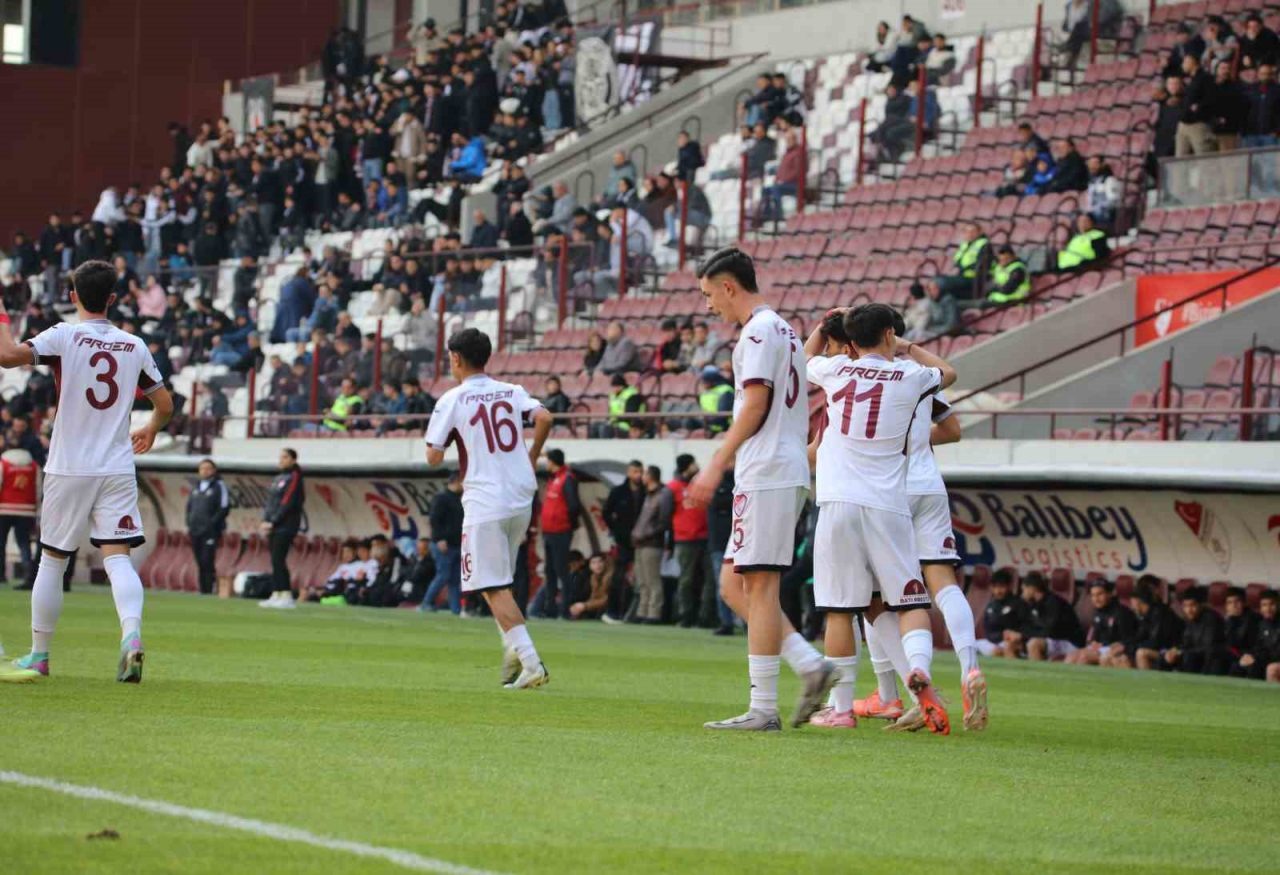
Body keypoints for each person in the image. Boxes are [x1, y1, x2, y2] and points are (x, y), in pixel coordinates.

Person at [0, 260, 174, 684]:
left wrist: (2, 315)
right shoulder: (134, 345)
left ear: (73, 295)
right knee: (118, 559)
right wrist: (151, 428)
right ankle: (131, 635)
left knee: (52, 560)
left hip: (70, 466)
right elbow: (165, 404)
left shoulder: (63, 335)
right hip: (116, 466)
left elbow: (7, 357)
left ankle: (39, 655)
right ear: (113, 298)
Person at [687, 247, 835, 732]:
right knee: (735, 585)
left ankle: (763, 707)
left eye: (709, 295)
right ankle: (809, 665)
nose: (709, 305)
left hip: (767, 470)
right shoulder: (783, 330)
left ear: (729, 287)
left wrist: (716, 463)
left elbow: (754, 405)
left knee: (761, 585)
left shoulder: (756, 332)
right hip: (775, 469)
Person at [802, 302, 957, 734]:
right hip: (888, 504)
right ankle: (919, 671)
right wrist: (906, 347)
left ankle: (840, 711)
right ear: (889, 333)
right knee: (909, 602)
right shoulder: (910, 375)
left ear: (849, 341)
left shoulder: (837, 370)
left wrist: (823, 326)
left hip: (838, 503)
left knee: (839, 610)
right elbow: (948, 372)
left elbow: (802, 358)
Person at [424, 328, 555, 690]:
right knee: (499, 582)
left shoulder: (452, 399)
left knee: (491, 585)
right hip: (520, 494)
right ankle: (511, 647)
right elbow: (545, 417)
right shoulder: (512, 390)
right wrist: (532, 455)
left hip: (486, 499)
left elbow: (433, 457)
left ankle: (530, 662)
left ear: (455, 358)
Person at [668, 454, 716, 628]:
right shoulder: (673, 488)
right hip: (684, 539)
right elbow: (666, 515)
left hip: (706, 537)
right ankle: (686, 615)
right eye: (693, 464)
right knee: (686, 580)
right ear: (687, 466)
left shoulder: (702, 484)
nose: (697, 466)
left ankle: (705, 616)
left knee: (710, 579)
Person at [534, 448, 581, 619]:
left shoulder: (567, 479)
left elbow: (574, 506)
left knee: (561, 570)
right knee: (550, 571)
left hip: (560, 531)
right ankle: (551, 609)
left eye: (548, 460)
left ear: (553, 462)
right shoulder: (554, 479)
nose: (546, 464)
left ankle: (565, 610)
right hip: (549, 532)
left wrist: (568, 525)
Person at [258, 448, 305, 609]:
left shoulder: (294, 477)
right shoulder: (278, 478)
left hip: (286, 525)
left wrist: (274, 521)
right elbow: (271, 502)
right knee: (274, 560)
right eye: (281, 457)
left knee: (279, 558)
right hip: (273, 525)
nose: (281, 460)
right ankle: (276, 593)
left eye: (285, 457)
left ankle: (286, 594)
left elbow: (287, 501)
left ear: (293, 460)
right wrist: (265, 519)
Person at [601, 460, 645, 622]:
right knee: (618, 576)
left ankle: (637, 613)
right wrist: (616, 530)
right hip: (623, 541)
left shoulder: (646, 492)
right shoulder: (618, 492)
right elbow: (606, 513)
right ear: (628, 472)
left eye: (640, 472)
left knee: (642, 577)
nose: (638, 475)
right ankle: (613, 611)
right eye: (635, 472)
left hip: (642, 541)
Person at [629, 465, 672, 624]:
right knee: (642, 580)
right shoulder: (648, 495)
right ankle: (642, 611)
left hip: (652, 543)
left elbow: (664, 521)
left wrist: (647, 533)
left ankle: (654, 613)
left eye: (645, 474)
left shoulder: (663, 494)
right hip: (640, 542)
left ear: (651, 476)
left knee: (652, 579)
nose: (642, 477)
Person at [185, 458, 230, 595]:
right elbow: (189, 507)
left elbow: (224, 507)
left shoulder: (219, 486)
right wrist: (189, 522)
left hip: (211, 531)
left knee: (207, 559)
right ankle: (203, 589)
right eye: (202, 468)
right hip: (195, 529)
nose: (205, 471)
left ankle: (210, 589)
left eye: (208, 468)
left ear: (214, 470)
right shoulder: (196, 487)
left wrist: (211, 524)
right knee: (199, 560)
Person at [421, 472, 464, 613]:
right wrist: (439, 539)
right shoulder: (441, 498)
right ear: (456, 481)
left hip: (456, 544)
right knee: (443, 575)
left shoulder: (459, 499)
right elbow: (434, 520)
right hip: (443, 544)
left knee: (455, 579)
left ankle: (456, 609)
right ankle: (426, 603)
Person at [1066, 581, 1137, 666]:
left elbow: (1128, 641)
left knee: (1084, 658)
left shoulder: (1122, 613)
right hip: (1101, 648)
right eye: (1093, 595)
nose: (1096, 599)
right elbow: (1095, 635)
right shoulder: (1098, 612)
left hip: (1114, 650)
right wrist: (1093, 643)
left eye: (1100, 594)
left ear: (1110, 594)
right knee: (1072, 656)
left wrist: (1104, 645)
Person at [1021, 572, 1087, 661]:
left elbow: (1049, 631)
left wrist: (1024, 635)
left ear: (1032, 588)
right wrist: (1021, 635)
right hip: (1054, 640)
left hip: (1070, 642)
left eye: (1024, 589)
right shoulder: (1033, 604)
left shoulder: (1053, 603)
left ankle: (1037, 670)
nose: (1022, 594)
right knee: (1012, 643)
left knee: (1034, 644)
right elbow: (1028, 625)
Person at [1164, 587, 1229, 675]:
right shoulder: (1190, 619)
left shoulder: (1211, 618)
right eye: (1185, 606)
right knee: (1165, 656)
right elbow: (1186, 642)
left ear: (1201, 605)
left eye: (1192, 605)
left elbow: (1208, 647)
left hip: (1211, 659)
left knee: (1189, 656)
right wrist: (1175, 650)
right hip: (1194, 656)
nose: (1188, 610)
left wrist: (1182, 652)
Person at [1126, 579, 1185, 670]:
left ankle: (1146, 680)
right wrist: (1123, 645)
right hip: (1159, 649)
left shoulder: (1160, 613)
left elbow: (1156, 642)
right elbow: (1139, 636)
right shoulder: (1145, 616)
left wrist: (1132, 648)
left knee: (1141, 653)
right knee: (1120, 657)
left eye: (1132, 602)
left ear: (1138, 601)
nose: (1131, 607)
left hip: (1170, 651)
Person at [0, 445, 38, 584]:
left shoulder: (3, 463)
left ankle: (1, 575)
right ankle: (28, 575)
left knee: (1, 543)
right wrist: (36, 508)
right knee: (24, 543)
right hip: (27, 510)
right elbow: (38, 487)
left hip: (4, 508)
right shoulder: (33, 465)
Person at [976, 569, 1028, 659]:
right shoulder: (991, 605)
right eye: (995, 587)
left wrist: (1015, 634)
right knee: (968, 647)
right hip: (991, 641)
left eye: (1001, 587)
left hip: (1008, 642)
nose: (998, 591)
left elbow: (1024, 627)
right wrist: (998, 636)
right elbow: (987, 628)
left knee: (998, 651)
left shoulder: (1018, 604)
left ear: (1009, 586)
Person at [1176, 53, 1218, 156]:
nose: (1183, 65)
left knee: (1204, 157)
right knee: (1179, 159)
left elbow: (1212, 98)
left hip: (1198, 125)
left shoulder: (1206, 78)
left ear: (1193, 62)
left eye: (1185, 62)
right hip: (1183, 124)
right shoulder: (1190, 79)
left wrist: (1199, 107)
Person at [938, 222, 990, 298]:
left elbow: (981, 264)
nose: (970, 234)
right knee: (938, 281)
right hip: (960, 276)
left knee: (942, 283)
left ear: (979, 232)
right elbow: (958, 261)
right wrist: (956, 268)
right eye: (967, 232)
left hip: (974, 278)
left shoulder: (984, 245)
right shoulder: (964, 245)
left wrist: (961, 269)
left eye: (973, 231)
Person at [1236, 590, 1279, 681]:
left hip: (1275, 661)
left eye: (1272, 604)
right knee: (1240, 664)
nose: (1268, 609)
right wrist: (1251, 656)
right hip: (1267, 659)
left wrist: (1257, 659)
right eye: (1264, 605)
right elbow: (1258, 647)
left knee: (1269, 668)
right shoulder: (1262, 624)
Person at [568, 553, 612, 620]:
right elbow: (593, 597)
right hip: (597, 607)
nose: (597, 565)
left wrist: (585, 605)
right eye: (593, 563)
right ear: (590, 566)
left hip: (609, 609)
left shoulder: (611, 576)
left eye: (600, 561)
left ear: (605, 563)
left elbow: (607, 599)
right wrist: (581, 606)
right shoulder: (593, 577)